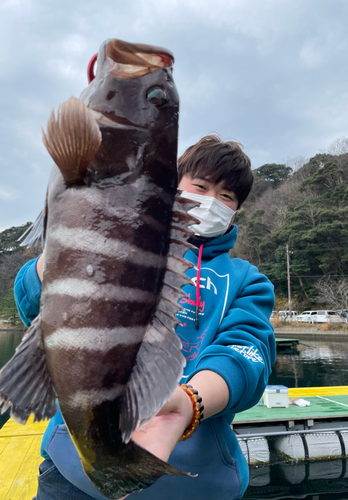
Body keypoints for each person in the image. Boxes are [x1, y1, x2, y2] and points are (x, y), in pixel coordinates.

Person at [14, 135, 276, 500]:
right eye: (200, 186)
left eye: (226, 196)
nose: (211, 201)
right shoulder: (123, 242)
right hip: (74, 474)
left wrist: (189, 403)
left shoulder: (248, 281)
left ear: (236, 209)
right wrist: (66, 243)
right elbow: (35, 304)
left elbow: (245, 355)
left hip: (192, 484)